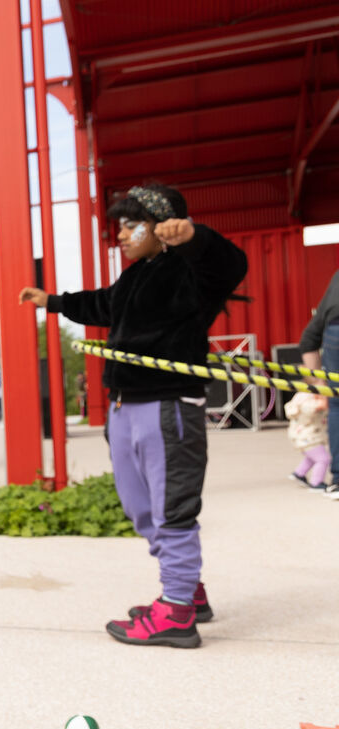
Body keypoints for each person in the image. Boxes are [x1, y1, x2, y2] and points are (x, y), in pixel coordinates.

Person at [19, 183, 247, 648]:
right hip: (126, 405)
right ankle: (186, 591)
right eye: (118, 226)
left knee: (172, 512)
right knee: (141, 509)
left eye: (130, 225)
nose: (120, 235)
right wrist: (53, 302)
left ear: (162, 228)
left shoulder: (189, 270)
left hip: (168, 407)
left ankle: (178, 614)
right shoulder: (137, 274)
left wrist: (194, 237)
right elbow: (102, 304)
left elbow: (230, 265)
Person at [298, 271, 339, 499]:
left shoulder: (337, 278)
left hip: (335, 330)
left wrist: (320, 385)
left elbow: (309, 338)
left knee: (337, 406)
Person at [284, 385, 329, 491]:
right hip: (308, 437)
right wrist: (324, 398)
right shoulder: (308, 400)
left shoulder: (301, 396)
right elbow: (321, 406)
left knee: (312, 457)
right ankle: (316, 483)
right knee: (323, 459)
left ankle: (299, 473)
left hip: (302, 436)